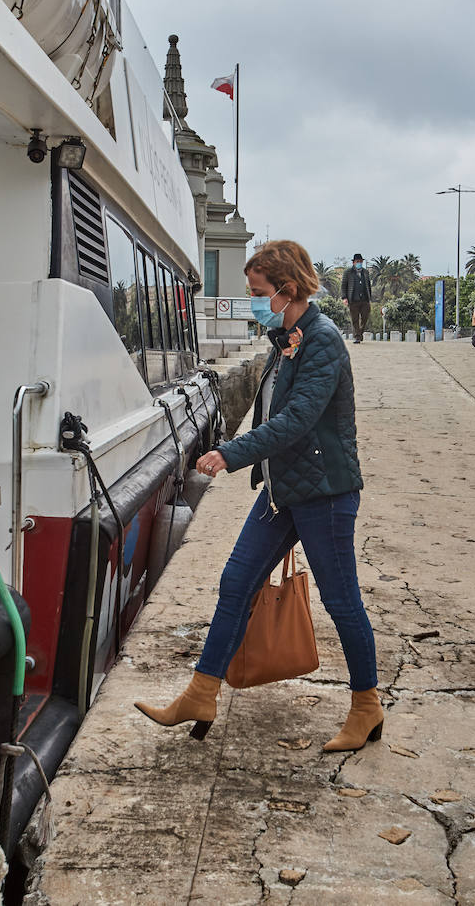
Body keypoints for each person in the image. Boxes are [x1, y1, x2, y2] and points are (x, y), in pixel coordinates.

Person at [136, 239, 380, 752]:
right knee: (237, 581)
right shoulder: (284, 336)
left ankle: (366, 708)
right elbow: (271, 411)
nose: (250, 300)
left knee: (341, 601)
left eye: (257, 292)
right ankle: (201, 693)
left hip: (324, 493)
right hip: (283, 490)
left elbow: (296, 420)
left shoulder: (322, 341)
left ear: (286, 290)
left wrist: (230, 453)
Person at [340, 252, 374, 343]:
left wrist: (370, 298)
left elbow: (368, 286)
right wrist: (344, 297)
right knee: (355, 320)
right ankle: (357, 337)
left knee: (365, 318)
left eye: (361, 261)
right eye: (357, 261)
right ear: (354, 262)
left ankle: (359, 333)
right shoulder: (348, 272)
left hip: (365, 300)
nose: (359, 263)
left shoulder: (365, 272)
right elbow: (343, 286)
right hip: (353, 300)